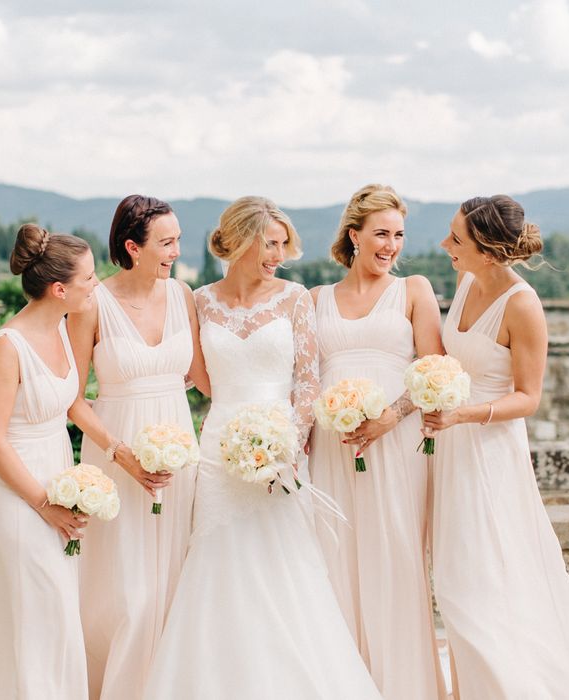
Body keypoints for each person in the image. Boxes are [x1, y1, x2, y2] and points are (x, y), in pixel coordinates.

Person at [143, 196, 381, 699]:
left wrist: (286, 445)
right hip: (218, 450)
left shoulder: (296, 298)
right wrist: (236, 429)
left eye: (282, 244)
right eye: (269, 243)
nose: (278, 253)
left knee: (285, 567)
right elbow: (201, 378)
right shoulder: (199, 300)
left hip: (283, 450)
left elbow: (308, 381)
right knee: (215, 561)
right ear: (242, 238)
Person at [423, 195, 569, 699]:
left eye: (456, 239)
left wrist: (461, 413)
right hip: (451, 453)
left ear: (487, 251)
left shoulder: (522, 304)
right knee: (456, 582)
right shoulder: (464, 284)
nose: (445, 245)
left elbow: (528, 397)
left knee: (480, 586)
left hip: (490, 455)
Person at [67, 195, 209, 699]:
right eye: (166, 242)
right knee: (125, 592)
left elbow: (203, 379)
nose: (175, 250)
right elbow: (74, 401)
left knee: (174, 581)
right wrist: (122, 454)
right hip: (114, 454)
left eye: (176, 240)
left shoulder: (184, 296)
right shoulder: (92, 304)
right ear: (133, 246)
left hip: (178, 454)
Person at [308, 184, 446, 699]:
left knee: (396, 555)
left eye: (399, 235)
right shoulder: (315, 299)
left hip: (396, 445)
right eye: (381, 234)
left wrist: (393, 415)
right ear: (354, 235)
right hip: (333, 448)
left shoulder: (414, 289)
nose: (391, 245)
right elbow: (304, 379)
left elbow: (434, 370)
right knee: (334, 555)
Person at [0, 224, 98, 699]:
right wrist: (45, 504)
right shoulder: (10, 345)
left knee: (61, 614)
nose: (96, 285)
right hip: (17, 490)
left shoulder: (64, 331)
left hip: (57, 472)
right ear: (59, 289)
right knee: (35, 612)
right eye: (89, 279)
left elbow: (70, 404)